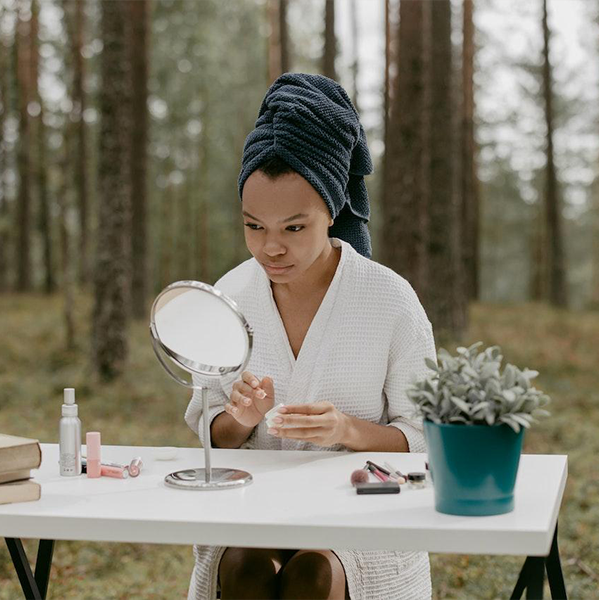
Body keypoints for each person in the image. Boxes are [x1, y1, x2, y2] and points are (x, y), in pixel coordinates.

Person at [183, 73, 435, 600]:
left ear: (332, 209)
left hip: (362, 514)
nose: (270, 249)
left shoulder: (389, 299)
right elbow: (211, 433)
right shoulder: (231, 294)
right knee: (245, 570)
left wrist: (348, 430)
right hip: (253, 507)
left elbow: (425, 438)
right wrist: (239, 419)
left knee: (313, 575)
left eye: (294, 228)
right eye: (254, 227)